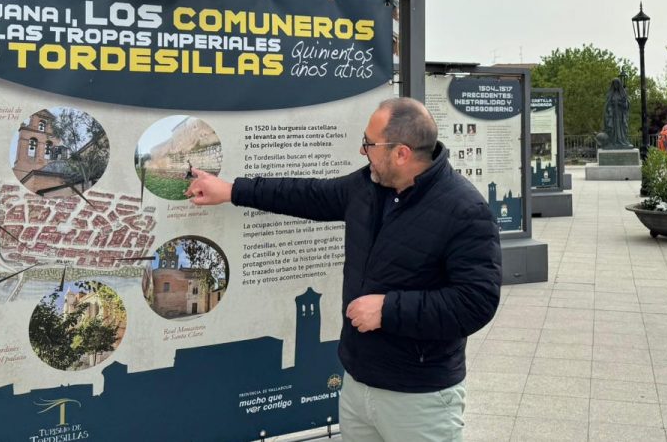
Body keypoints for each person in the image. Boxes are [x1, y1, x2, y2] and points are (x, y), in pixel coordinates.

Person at [185, 98, 501, 442]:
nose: (363, 150)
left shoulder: (464, 209)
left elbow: (476, 303)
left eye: (369, 143)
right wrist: (232, 191)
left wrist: (389, 309)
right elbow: (309, 195)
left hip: (419, 397)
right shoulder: (369, 186)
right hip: (358, 382)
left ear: (402, 154)